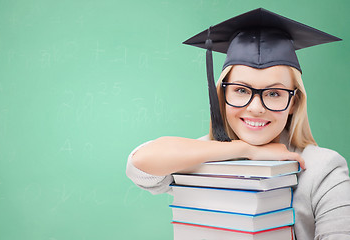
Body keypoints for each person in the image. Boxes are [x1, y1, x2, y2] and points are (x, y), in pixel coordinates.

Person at [126, 8, 350, 240]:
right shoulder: (199, 156)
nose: (256, 107)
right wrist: (247, 150)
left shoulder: (323, 169)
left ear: (293, 102)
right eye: (241, 90)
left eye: (274, 93)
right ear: (222, 96)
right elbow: (140, 164)